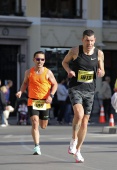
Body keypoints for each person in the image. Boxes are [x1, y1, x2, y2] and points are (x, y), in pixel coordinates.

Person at [62, 29, 105, 163]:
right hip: (76, 88)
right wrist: (69, 71)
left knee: (85, 123)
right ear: (82, 40)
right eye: (87, 40)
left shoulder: (99, 53)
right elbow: (64, 62)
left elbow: (102, 70)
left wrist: (100, 71)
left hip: (90, 90)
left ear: (95, 40)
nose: (89, 43)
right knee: (79, 115)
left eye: (92, 41)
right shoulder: (75, 51)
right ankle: (73, 140)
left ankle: (78, 150)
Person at [16, 51, 58, 155]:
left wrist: (51, 95)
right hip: (33, 100)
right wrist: (21, 91)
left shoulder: (48, 72)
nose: (40, 61)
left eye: (42, 59)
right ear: (34, 60)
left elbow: (55, 84)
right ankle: (36, 146)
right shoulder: (28, 72)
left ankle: (39, 123)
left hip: (44, 102)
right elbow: (25, 83)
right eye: (38, 59)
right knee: (35, 122)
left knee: (43, 126)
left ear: (44, 61)